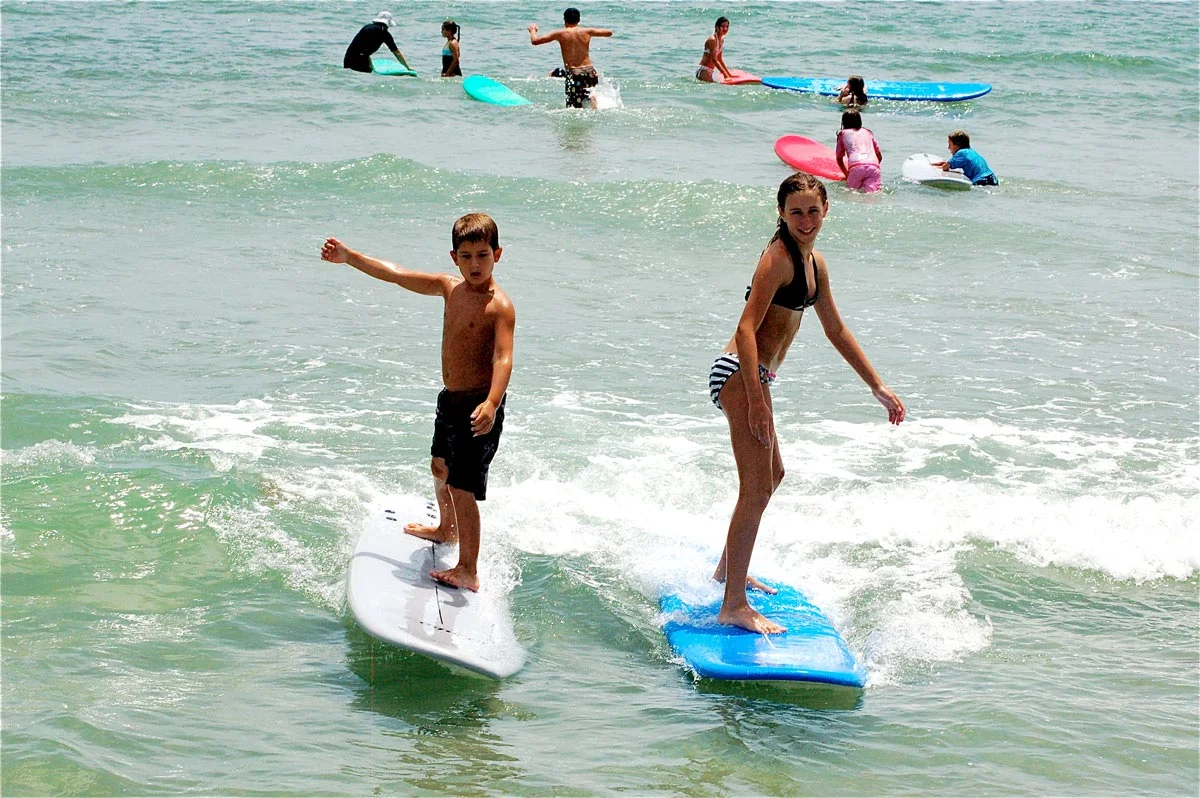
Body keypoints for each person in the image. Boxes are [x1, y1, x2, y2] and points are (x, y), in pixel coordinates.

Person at [707, 172, 906, 633]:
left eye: (813, 210)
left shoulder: (815, 263)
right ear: (781, 213)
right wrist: (756, 401)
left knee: (772, 475)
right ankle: (733, 604)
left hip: (757, 377)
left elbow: (836, 329)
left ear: (826, 210)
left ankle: (726, 571)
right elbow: (745, 329)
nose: (805, 220)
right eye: (795, 212)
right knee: (755, 488)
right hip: (740, 373)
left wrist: (876, 386)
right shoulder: (778, 259)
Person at [320, 214, 516, 592]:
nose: (475, 264)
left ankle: (469, 569)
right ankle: (447, 529)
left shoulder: (500, 307)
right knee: (439, 466)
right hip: (451, 401)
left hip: (479, 408)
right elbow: (397, 274)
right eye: (466, 256)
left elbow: (503, 358)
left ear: (497, 254)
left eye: (482, 255)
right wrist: (350, 257)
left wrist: (492, 403)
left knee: (462, 488)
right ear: (454, 258)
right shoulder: (449, 288)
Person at [528, 8, 613, 108]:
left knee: (573, 108)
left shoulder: (560, 33)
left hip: (574, 74)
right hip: (590, 72)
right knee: (592, 100)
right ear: (579, 20)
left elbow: (535, 41)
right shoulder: (587, 31)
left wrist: (532, 31)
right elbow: (609, 32)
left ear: (564, 20)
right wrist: (591, 31)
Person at [343, 11, 410, 74]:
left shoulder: (366, 27)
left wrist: (372, 68)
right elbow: (396, 52)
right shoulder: (384, 33)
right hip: (360, 63)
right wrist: (408, 68)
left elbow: (363, 51)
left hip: (347, 59)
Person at [835, 109, 883, 193]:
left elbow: (839, 158)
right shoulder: (868, 132)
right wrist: (870, 168)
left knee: (851, 193)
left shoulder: (842, 134)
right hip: (873, 166)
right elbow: (879, 156)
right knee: (873, 194)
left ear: (843, 122)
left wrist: (847, 175)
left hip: (856, 166)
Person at [931, 130, 998, 186]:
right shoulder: (971, 152)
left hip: (982, 180)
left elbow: (945, 167)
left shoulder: (961, 152)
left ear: (957, 145)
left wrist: (934, 168)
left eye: (950, 144)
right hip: (992, 178)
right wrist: (947, 163)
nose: (948, 147)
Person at [696, 17, 733, 83]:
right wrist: (725, 75)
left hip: (711, 70)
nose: (725, 29)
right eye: (722, 26)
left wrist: (729, 75)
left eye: (727, 27)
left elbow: (720, 59)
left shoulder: (721, 40)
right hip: (703, 70)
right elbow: (714, 60)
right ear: (717, 27)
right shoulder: (712, 40)